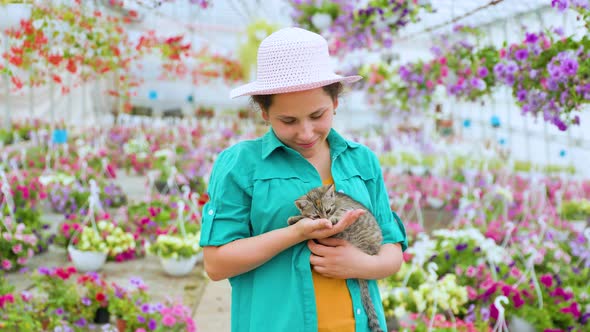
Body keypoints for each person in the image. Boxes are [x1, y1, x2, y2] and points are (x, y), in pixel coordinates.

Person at [199, 27, 408, 332]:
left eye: (317, 115)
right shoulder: (241, 165)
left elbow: (392, 249)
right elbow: (217, 264)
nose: (306, 132)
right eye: (289, 121)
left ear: (335, 102)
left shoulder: (361, 160)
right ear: (263, 111)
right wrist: (296, 234)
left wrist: (361, 265)